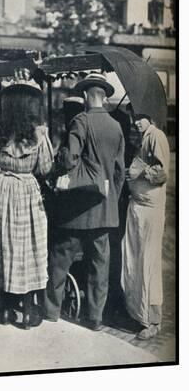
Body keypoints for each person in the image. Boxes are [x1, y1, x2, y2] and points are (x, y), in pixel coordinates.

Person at [44, 72, 125, 330]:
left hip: (78, 209)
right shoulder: (116, 126)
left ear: (89, 95)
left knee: (60, 257)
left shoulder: (80, 120)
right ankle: (95, 318)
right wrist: (110, 196)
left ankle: (51, 311)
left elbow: (70, 160)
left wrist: (61, 158)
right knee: (99, 265)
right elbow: (119, 172)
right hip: (104, 209)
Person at [0, 70, 54, 330]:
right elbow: (44, 168)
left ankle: (5, 309)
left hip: (1, 189)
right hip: (27, 192)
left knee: (1, 245)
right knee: (28, 247)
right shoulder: (39, 134)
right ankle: (29, 310)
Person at [121, 113, 170, 340]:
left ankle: (153, 320)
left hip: (150, 208)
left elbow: (161, 173)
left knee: (148, 263)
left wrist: (140, 171)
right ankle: (137, 313)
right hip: (138, 206)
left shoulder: (156, 135)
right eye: (134, 118)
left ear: (149, 118)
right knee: (134, 261)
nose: (136, 122)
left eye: (140, 118)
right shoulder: (142, 138)